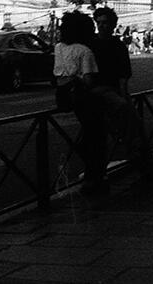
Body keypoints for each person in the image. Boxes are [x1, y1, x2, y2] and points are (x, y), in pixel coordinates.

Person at [91, 7, 153, 182]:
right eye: (99, 23)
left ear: (113, 25)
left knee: (129, 131)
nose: (101, 26)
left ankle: (141, 167)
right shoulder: (96, 44)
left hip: (110, 93)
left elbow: (123, 77)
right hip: (105, 95)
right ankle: (145, 168)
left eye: (105, 23)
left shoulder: (114, 46)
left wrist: (124, 97)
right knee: (133, 131)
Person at [52, 10, 106, 194]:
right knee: (96, 135)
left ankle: (92, 173)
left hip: (63, 96)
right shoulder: (85, 51)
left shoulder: (58, 47)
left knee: (89, 135)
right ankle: (94, 177)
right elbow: (89, 81)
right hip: (83, 98)